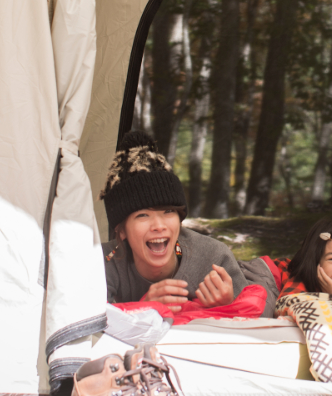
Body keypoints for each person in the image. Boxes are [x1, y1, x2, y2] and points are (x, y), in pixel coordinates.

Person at [101, 131, 246, 311]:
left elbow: (257, 322)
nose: (159, 226)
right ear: (121, 229)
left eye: (168, 211)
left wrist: (228, 307)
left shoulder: (213, 259)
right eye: (143, 215)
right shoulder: (102, 263)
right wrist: (141, 310)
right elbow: (81, 325)